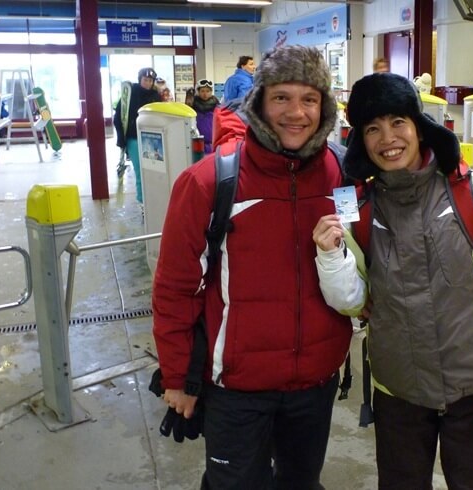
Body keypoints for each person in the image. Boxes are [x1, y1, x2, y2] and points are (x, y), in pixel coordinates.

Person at [312, 72, 473, 489]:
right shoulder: (360, 208)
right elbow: (354, 302)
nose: (388, 138)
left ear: (419, 128)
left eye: (398, 122)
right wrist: (331, 257)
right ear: (361, 141)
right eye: (372, 128)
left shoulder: (472, 192)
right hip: (398, 391)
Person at [152, 45, 356, 490]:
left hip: (314, 382)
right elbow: (174, 287)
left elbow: (360, 257)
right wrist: (177, 376)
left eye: (309, 98)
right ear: (260, 101)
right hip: (237, 387)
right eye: (281, 97)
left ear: (324, 105)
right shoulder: (210, 181)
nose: (296, 113)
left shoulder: (342, 174)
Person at [113, 67, 162, 204]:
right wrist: (121, 140)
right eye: (145, 80)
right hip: (134, 138)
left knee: (154, 169)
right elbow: (118, 118)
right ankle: (142, 202)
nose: (147, 83)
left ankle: (154, 199)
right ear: (140, 79)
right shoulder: (129, 94)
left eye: (150, 80)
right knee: (140, 170)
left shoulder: (156, 96)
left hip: (153, 138)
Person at [192, 79, 219, 153]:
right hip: (197, 144)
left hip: (213, 145)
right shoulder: (192, 106)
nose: (205, 94)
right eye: (202, 91)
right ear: (198, 92)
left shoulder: (217, 107)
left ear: (211, 92)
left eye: (207, 91)